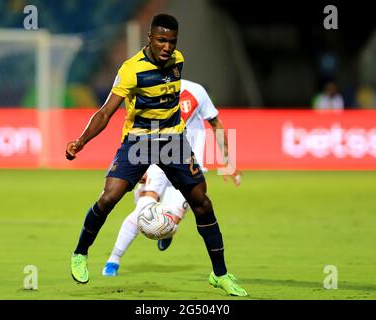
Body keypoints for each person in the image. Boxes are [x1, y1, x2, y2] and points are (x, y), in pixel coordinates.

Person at [65, 13, 247, 296]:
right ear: (148, 37)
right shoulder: (130, 70)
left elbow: (208, 119)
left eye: (171, 41)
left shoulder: (178, 61)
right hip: (139, 141)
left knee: (203, 204)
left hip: (173, 141)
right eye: (161, 40)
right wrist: (81, 141)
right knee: (109, 196)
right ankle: (80, 253)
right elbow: (105, 112)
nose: (167, 47)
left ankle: (220, 274)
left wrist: (227, 159)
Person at [102, 79, 242, 277]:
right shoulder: (148, 89)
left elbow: (215, 122)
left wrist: (228, 160)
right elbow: (136, 127)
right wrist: (137, 165)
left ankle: (168, 231)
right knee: (142, 211)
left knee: (169, 220)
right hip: (156, 162)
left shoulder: (196, 91)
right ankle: (113, 260)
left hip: (188, 166)